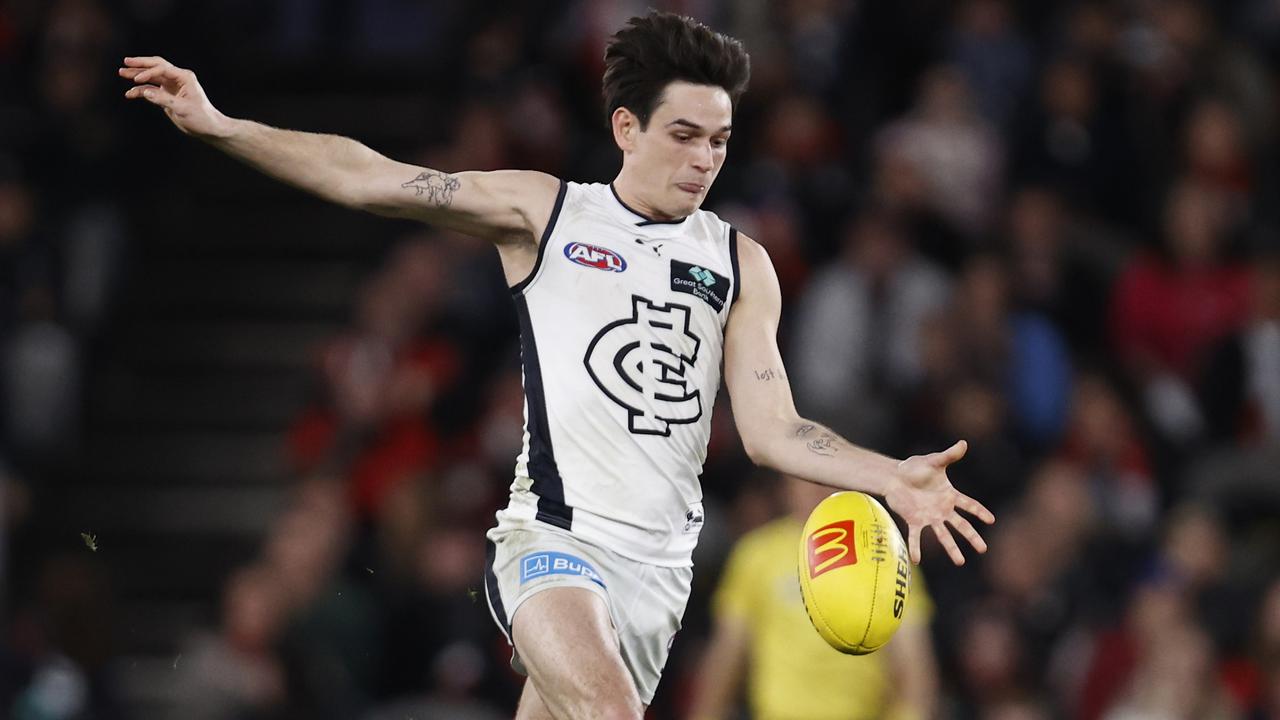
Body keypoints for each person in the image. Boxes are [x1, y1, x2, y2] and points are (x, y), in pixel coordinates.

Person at [120, 11, 994, 719]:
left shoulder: (741, 264)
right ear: (626, 127)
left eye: (720, 141)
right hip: (554, 544)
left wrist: (893, 478)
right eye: (684, 134)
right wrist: (223, 125)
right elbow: (372, 179)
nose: (704, 159)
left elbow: (774, 429)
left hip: (659, 580)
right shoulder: (548, 215)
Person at [690, 475, 939, 720]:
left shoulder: (884, 555)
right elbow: (727, 656)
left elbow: (915, 667)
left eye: (828, 476)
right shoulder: (757, 555)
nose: (818, 488)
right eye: (807, 476)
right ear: (786, 484)